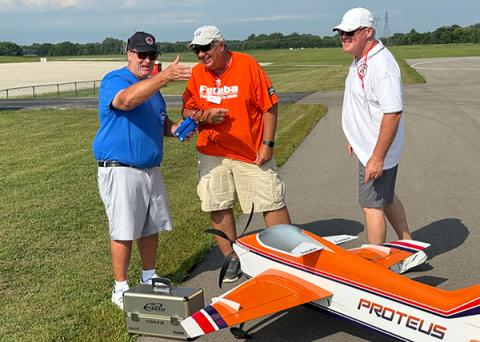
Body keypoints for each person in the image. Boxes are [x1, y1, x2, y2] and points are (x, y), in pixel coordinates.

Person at [182, 25, 291, 282]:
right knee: (217, 203)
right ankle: (232, 257)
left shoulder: (246, 65)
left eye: (206, 48)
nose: (200, 54)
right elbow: (187, 111)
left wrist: (268, 143)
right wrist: (204, 116)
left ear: (221, 45)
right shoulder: (198, 74)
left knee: (271, 201)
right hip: (212, 152)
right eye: (197, 49)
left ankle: (287, 256)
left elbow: (270, 106)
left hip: (250, 152)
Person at [92, 31, 192, 309]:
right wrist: (163, 77)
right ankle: (120, 288)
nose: (147, 60)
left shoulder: (152, 89)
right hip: (122, 168)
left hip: (149, 168)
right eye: (141, 54)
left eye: (151, 55)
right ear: (129, 55)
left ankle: (149, 276)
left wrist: (177, 129)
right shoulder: (116, 79)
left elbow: (160, 122)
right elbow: (125, 102)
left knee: (150, 226)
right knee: (124, 227)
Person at [333, 8, 426, 273]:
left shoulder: (381, 65)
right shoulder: (362, 59)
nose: (343, 36)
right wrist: (354, 135)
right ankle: (410, 246)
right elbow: (365, 106)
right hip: (369, 147)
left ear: (368, 32)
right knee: (384, 197)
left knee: (371, 205)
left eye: (350, 32)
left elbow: (392, 112)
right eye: (341, 32)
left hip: (377, 150)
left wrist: (376, 157)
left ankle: (376, 271)